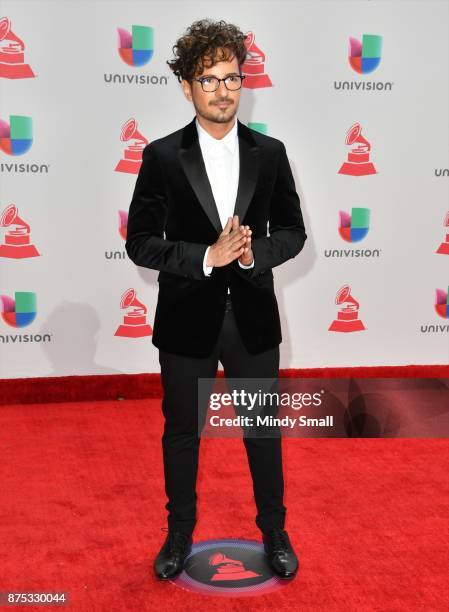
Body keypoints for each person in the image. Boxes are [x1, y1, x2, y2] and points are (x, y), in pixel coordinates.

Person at [125, 18, 307, 581]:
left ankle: (274, 532)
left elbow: (294, 232)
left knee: (262, 430)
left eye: (232, 77)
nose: (223, 89)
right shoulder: (160, 156)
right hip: (186, 319)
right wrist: (208, 257)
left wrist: (251, 257)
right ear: (187, 86)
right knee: (182, 431)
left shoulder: (270, 153)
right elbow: (140, 243)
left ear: (242, 81)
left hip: (252, 319)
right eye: (209, 79)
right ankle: (178, 536)